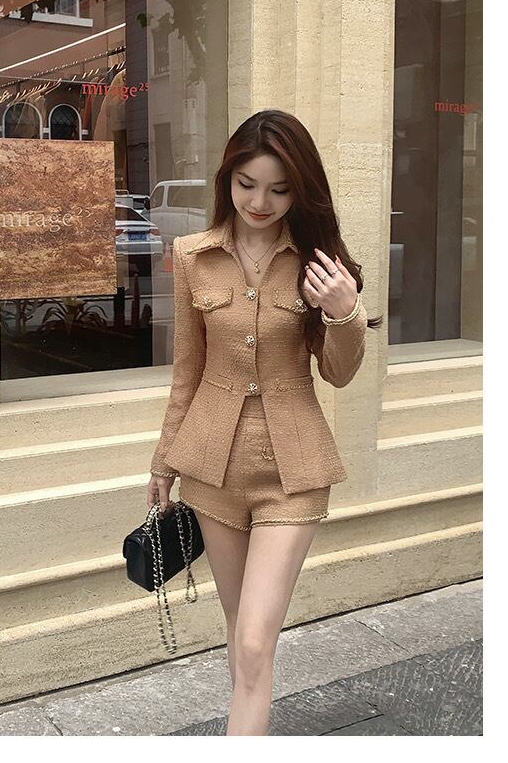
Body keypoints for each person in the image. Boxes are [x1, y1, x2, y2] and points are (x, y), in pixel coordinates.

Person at [146, 109, 383, 736]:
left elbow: (338, 373)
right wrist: (163, 461)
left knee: (255, 639)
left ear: (299, 191)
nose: (259, 202)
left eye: (279, 189)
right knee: (239, 633)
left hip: (292, 472)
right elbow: (186, 372)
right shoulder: (193, 257)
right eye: (246, 184)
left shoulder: (318, 264)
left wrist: (345, 313)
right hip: (211, 470)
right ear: (227, 178)